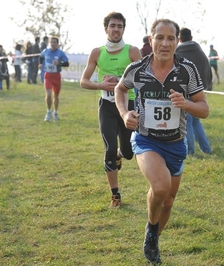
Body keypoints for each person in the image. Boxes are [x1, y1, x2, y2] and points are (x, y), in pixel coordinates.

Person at [115, 18, 209, 264]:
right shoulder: (137, 68)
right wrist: (125, 114)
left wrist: (186, 103)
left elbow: (204, 109)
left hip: (176, 143)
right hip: (147, 140)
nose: (165, 43)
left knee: (168, 202)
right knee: (160, 187)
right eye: (160, 37)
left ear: (177, 41)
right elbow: (119, 89)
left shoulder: (187, 70)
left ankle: (153, 236)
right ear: (150, 40)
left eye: (170, 38)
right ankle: (151, 230)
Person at [80, 12, 142, 208]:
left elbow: (142, 81)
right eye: (113, 26)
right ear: (106, 28)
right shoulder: (97, 53)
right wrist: (101, 86)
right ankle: (115, 195)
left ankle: (119, 154)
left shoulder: (133, 52)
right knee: (108, 149)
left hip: (128, 106)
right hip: (106, 106)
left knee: (128, 152)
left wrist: (120, 83)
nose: (116, 29)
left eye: (120, 26)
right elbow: (84, 81)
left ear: (124, 29)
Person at [175, 27, 212, 155]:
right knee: (196, 121)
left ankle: (190, 151)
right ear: (191, 38)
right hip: (199, 91)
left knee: (188, 121)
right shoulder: (200, 52)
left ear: (179, 39)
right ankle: (206, 149)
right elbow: (208, 70)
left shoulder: (178, 53)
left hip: (185, 91)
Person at [39, 36, 69, 122]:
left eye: (54, 42)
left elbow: (66, 64)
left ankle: (55, 112)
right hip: (48, 75)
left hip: (56, 76)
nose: (52, 44)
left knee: (56, 96)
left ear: (57, 44)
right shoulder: (46, 51)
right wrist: (40, 64)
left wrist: (59, 63)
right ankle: (48, 112)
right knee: (48, 94)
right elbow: (41, 58)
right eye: (51, 42)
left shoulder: (60, 53)